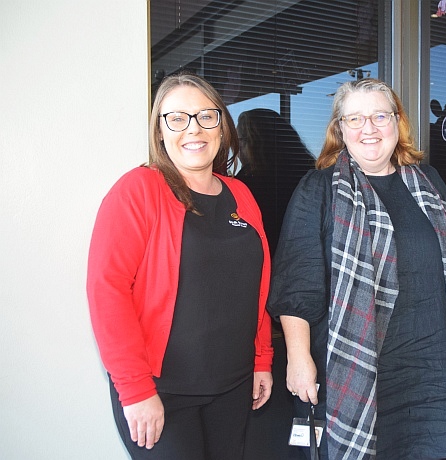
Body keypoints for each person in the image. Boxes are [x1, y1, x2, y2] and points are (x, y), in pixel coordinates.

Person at [268, 78, 446, 459]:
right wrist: (299, 360)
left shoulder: (429, 183)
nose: (368, 128)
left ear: (397, 122)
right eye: (355, 118)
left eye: (380, 116)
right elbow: (296, 285)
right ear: (340, 129)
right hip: (356, 377)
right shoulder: (318, 190)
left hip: (432, 379)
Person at [87, 72, 274, 460]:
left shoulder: (241, 194)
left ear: (221, 126)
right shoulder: (137, 190)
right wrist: (135, 389)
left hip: (233, 386)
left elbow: (255, 289)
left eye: (206, 116)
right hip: (162, 392)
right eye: (177, 118)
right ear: (160, 131)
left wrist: (262, 359)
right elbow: (107, 290)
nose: (194, 128)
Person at [235, 108, 315, 255]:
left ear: (251, 143)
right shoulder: (308, 175)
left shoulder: (247, 185)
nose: (236, 149)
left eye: (239, 140)